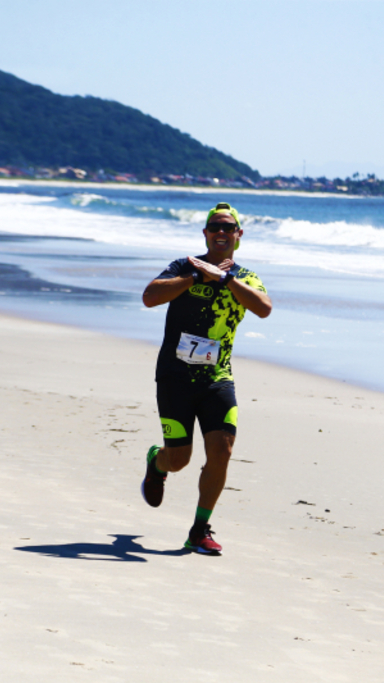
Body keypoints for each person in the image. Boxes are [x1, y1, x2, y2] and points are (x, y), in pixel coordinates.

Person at [140, 202, 272, 555]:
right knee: (179, 459)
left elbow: (263, 308)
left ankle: (199, 530)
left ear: (239, 235)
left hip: (217, 379)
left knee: (222, 451)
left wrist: (225, 280)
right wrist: (198, 277)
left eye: (229, 227)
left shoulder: (244, 278)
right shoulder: (185, 266)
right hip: (174, 377)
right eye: (215, 226)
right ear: (205, 233)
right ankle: (157, 462)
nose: (222, 232)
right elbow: (150, 297)